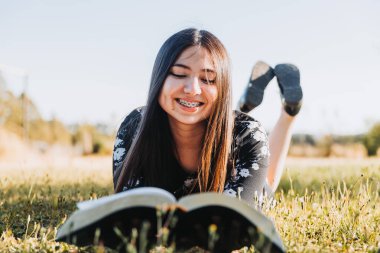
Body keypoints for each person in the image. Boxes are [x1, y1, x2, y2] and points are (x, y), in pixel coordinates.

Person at [112, 28, 302, 204]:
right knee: (238, 130)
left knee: (266, 182)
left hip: (237, 137)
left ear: (222, 88)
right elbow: (128, 208)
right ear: (158, 79)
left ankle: (289, 112)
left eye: (208, 79)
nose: (193, 89)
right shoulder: (134, 126)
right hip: (231, 128)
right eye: (179, 74)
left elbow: (237, 217)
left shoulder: (248, 134)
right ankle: (245, 105)